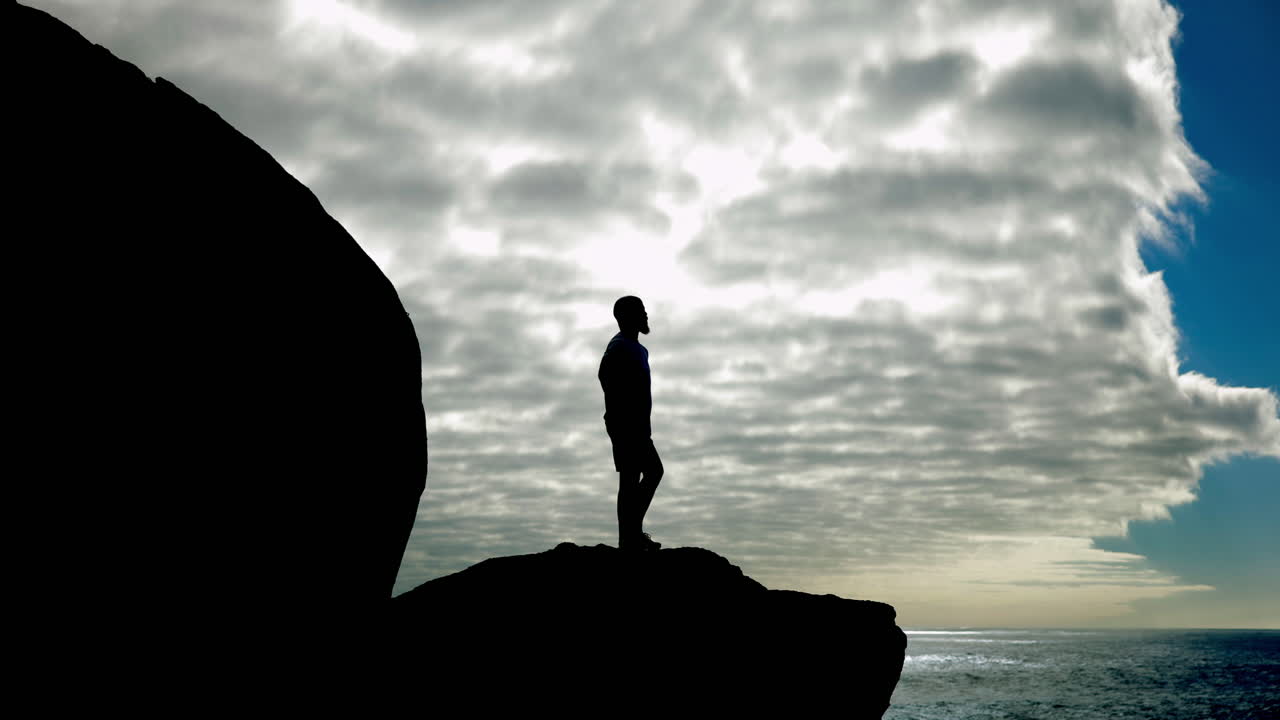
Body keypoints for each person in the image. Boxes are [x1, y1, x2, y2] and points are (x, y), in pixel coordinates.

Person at [598, 296, 664, 551]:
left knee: (635, 477)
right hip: (626, 424)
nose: (646, 315)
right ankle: (630, 536)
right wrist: (619, 415)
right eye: (640, 311)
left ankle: (631, 535)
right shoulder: (619, 346)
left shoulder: (639, 349)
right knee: (642, 474)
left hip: (637, 425)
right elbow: (605, 377)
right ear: (625, 316)